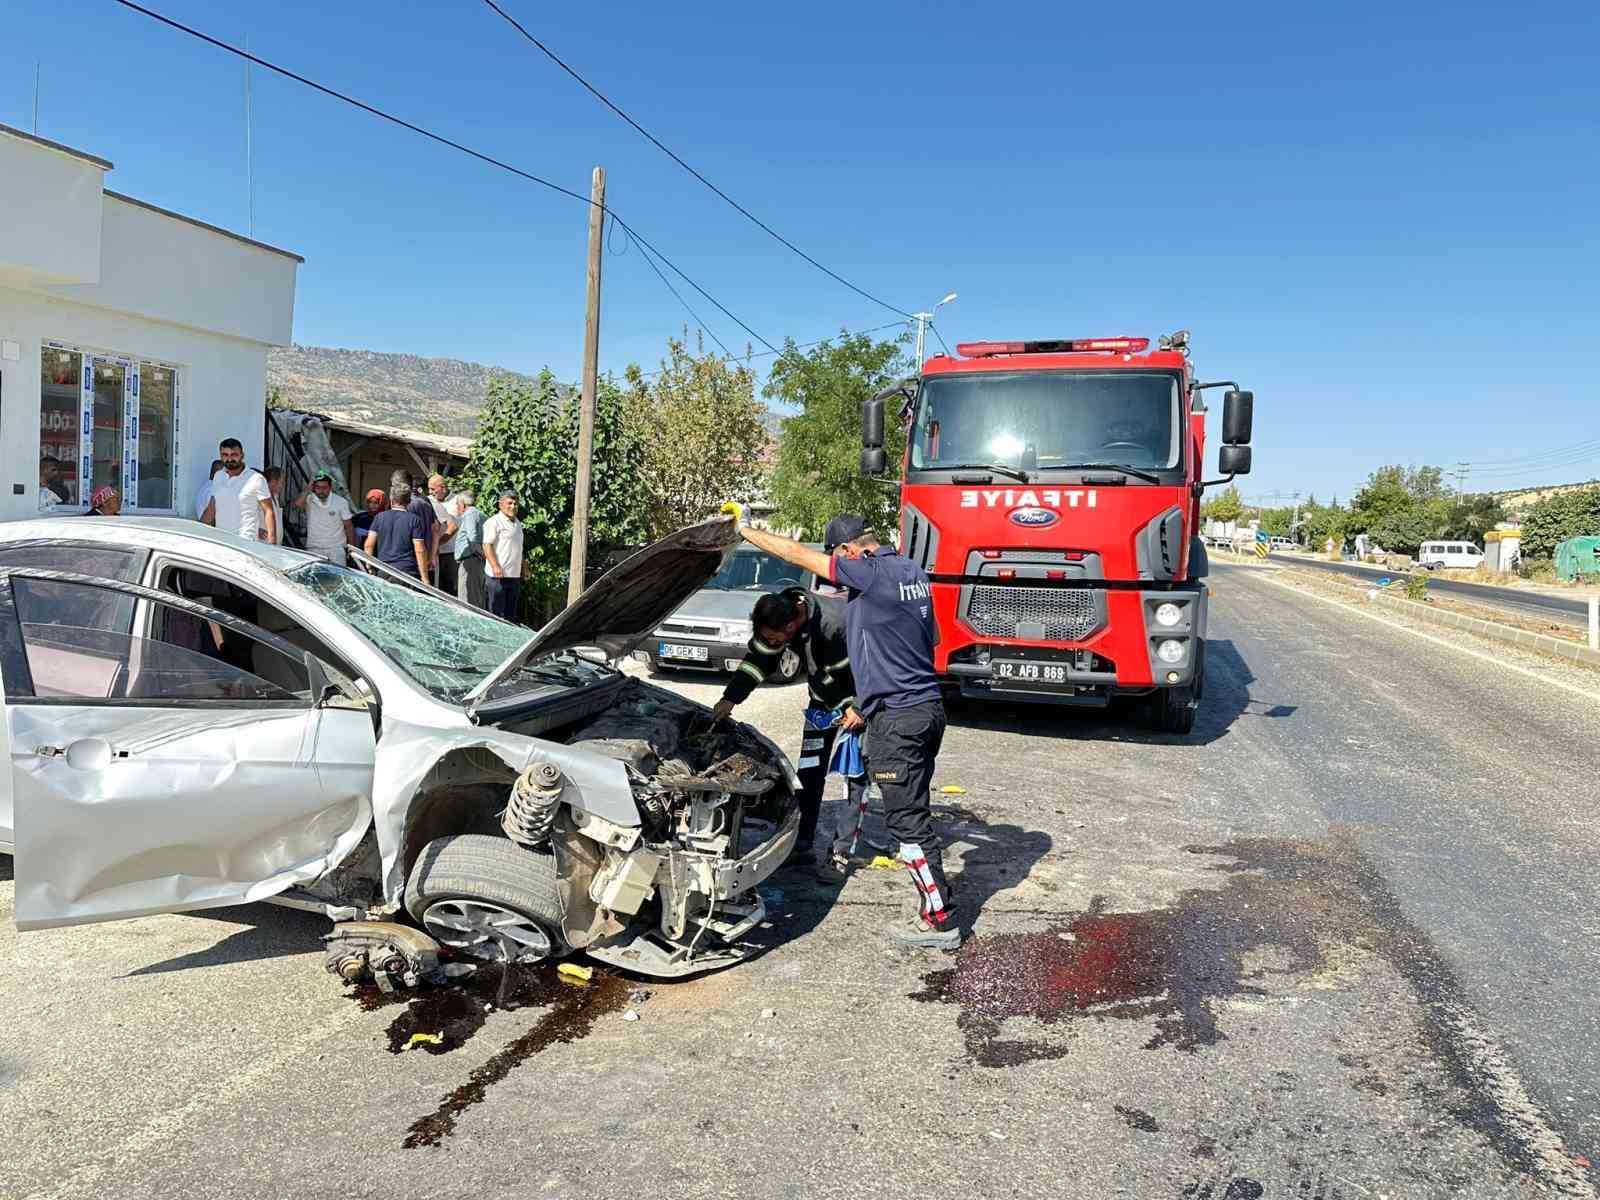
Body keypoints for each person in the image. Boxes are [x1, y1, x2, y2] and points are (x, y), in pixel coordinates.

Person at [730, 510, 958, 949]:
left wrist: (743, 528)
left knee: (906, 825)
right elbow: (928, 641)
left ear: (849, 551)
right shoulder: (911, 572)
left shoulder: (867, 573)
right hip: (927, 709)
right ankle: (937, 903)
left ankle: (939, 919)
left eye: (839, 559)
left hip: (895, 718)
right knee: (914, 814)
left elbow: (795, 553)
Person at [709, 585, 863, 878]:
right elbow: (758, 660)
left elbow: (871, 666)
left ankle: (841, 853)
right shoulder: (778, 616)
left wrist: (860, 707)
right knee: (809, 773)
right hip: (822, 706)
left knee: (855, 777)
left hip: (858, 707)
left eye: (774, 638)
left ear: (791, 626)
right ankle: (801, 845)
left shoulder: (836, 623)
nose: (771, 642)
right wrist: (730, 699)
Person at [201, 439, 276, 543]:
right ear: (221, 456)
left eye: (234, 454)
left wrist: (272, 542)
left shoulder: (256, 478)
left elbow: (268, 510)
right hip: (223, 541)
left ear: (242, 455)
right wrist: (197, 530)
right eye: (225, 455)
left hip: (246, 541)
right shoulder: (218, 476)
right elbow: (212, 507)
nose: (229, 459)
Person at [364, 483, 429, 579]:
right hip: (407, 572)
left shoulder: (379, 517)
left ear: (391, 500)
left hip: (383, 570)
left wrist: (369, 567)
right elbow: (419, 550)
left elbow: (368, 545)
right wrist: (425, 578)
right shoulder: (414, 520)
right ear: (409, 501)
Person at [295, 470, 355, 565]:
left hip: (336, 549)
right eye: (318, 487)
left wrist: (351, 548)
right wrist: (308, 488)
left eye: (324, 487)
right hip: (314, 548)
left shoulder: (341, 502)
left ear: (330, 487)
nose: (321, 491)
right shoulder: (309, 499)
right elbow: (298, 504)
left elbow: (349, 526)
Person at [482, 490, 524, 621]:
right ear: (500, 505)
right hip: (497, 577)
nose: (513, 506)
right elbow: (487, 545)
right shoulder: (494, 522)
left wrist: (524, 566)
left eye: (515, 504)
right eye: (509, 503)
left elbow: (518, 547)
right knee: (495, 616)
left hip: (514, 576)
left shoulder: (517, 523)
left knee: (510, 616)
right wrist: (495, 566)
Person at [392, 470, 439, 585]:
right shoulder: (425, 501)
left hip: (410, 562)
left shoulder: (406, 505)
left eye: (393, 485)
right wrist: (432, 556)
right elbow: (436, 528)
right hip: (425, 561)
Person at [451, 490, 488, 609]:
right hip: (476, 560)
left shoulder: (470, 514)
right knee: (476, 598)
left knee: (467, 601)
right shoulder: (480, 514)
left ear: (462, 504)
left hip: (471, 560)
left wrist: (480, 554)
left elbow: (472, 538)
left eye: (457, 504)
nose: (456, 507)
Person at [428, 474, 460, 595]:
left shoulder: (457, 501)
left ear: (443, 488)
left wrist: (438, 542)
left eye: (433, 489)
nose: (430, 492)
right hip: (433, 553)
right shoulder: (429, 500)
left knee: (451, 588)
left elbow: (454, 527)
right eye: (429, 489)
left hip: (451, 553)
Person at [262, 467, 286, 544]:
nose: (283, 485)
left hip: (276, 546)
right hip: (263, 545)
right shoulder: (261, 498)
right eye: (282, 482)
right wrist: (257, 530)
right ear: (273, 481)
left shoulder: (275, 497)